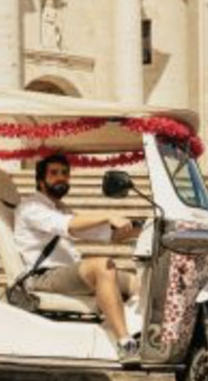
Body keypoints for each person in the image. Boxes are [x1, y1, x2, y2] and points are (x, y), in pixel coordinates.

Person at [12, 152, 142, 359]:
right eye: (54, 173)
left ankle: (134, 332)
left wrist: (141, 227)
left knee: (138, 283)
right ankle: (125, 343)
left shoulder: (60, 208)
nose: (61, 177)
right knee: (102, 266)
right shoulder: (31, 206)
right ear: (40, 180)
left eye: (65, 173)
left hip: (65, 274)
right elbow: (69, 225)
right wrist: (109, 215)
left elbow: (101, 233)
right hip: (42, 277)